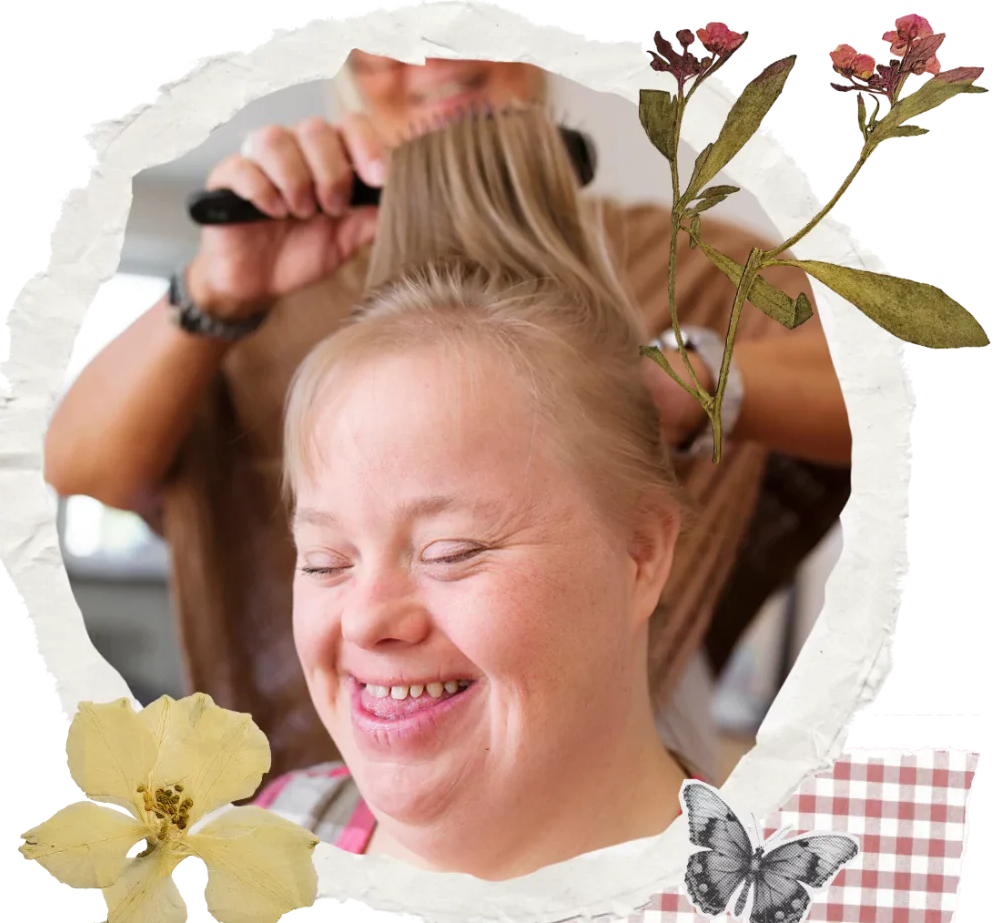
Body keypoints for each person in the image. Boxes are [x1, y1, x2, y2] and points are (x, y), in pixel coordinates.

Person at [43, 54, 851, 788]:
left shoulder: (684, 263)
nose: (433, 60)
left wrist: (681, 382)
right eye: (388, 40)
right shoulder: (272, 301)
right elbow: (82, 468)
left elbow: (888, 396)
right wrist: (218, 286)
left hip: (617, 761)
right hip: (337, 776)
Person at [262, 106, 699, 878]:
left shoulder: (771, 910)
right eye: (326, 561)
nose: (365, 618)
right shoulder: (271, 839)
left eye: (451, 551)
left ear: (641, 553)